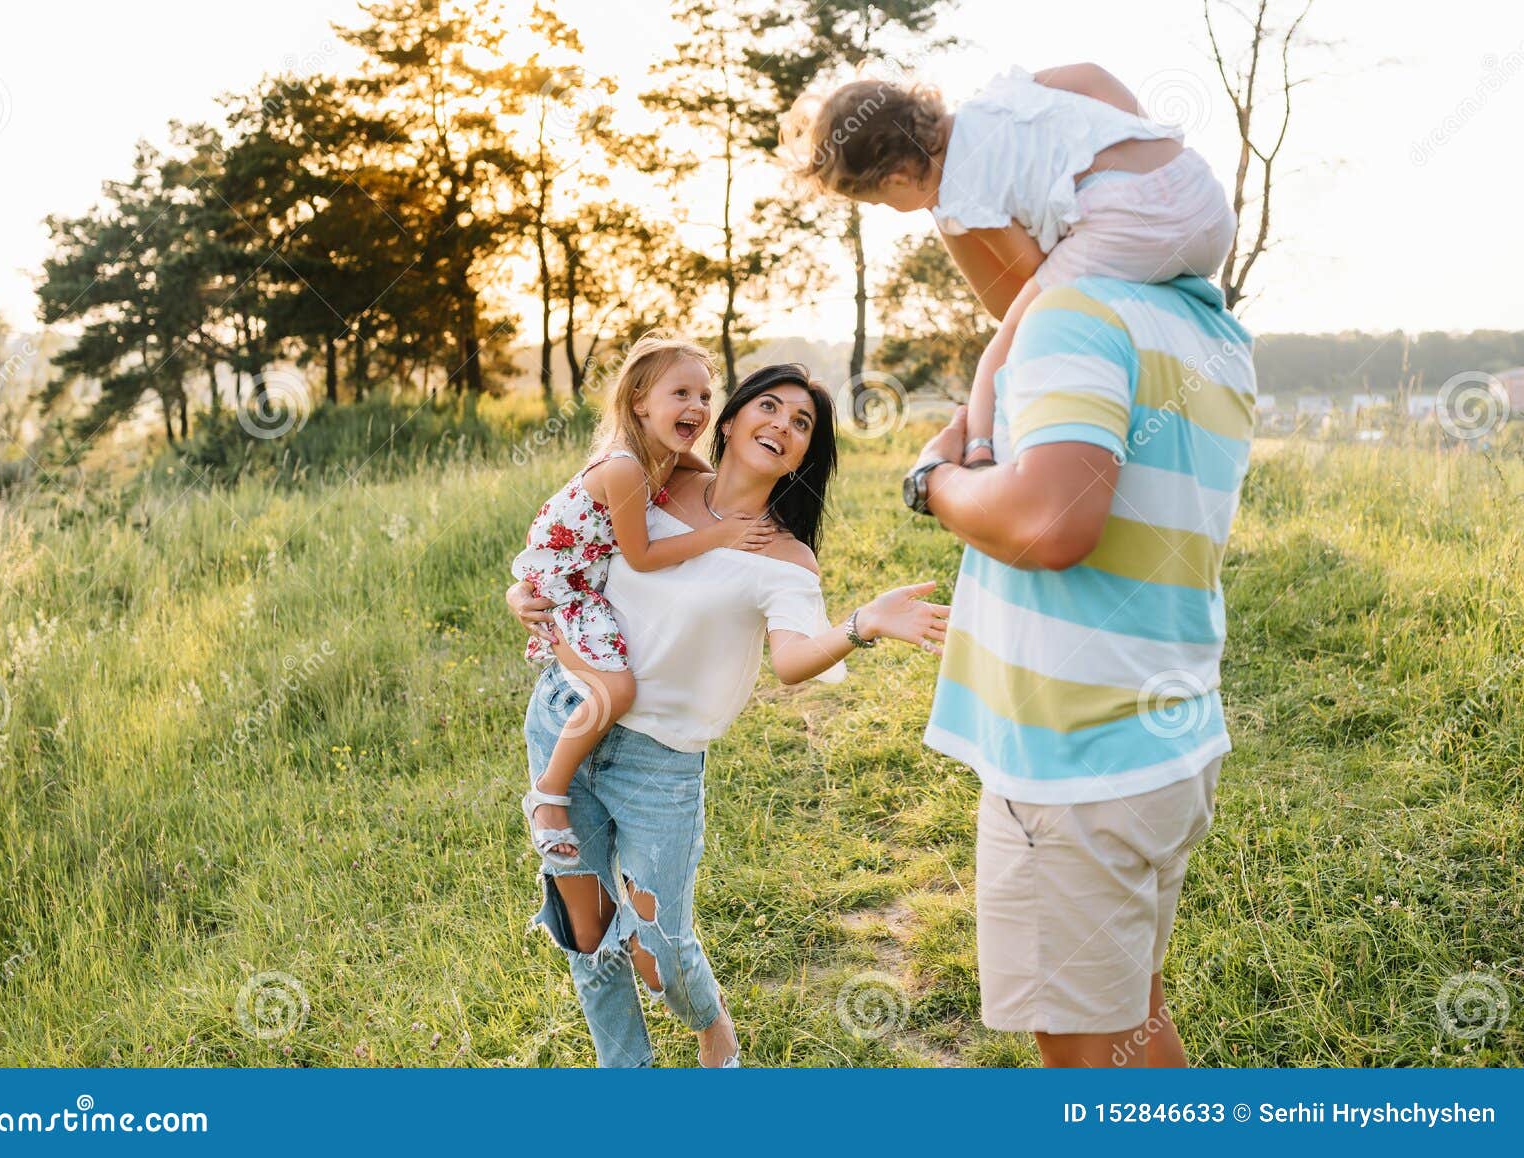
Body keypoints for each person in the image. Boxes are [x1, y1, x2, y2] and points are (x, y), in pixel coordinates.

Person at [506, 364, 951, 1067]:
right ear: (733, 419)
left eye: (801, 423)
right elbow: (574, 547)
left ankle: (712, 1023)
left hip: (662, 762)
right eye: (768, 407)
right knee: (587, 935)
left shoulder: (785, 558)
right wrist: (523, 596)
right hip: (567, 717)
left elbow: (794, 660)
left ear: (807, 454)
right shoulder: (655, 480)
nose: (781, 425)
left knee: (659, 954)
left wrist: (863, 623)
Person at [898, 269, 1256, 1067]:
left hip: (1074, 768)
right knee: (1134, 1024)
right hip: (1165, 748)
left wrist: (934, 481)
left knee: (1089, 1066)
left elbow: (1049, 524)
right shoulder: (1212, 332)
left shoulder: (1078, 313)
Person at [782, 63, 1236, 467]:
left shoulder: (962, 195)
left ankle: (979, 449)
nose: (889, 208)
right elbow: (1090, 76)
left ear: (898, 179)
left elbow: (1027, 272)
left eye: (882, 201)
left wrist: (941, 214)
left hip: (1137, 224)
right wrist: (1130, 134)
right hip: (1198, 189)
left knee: (1011, 336)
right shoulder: (1000, 96)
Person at [510, 335, 772, 867]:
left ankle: (557, 786)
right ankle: (548, 794)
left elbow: (716, 482)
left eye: (704, 396)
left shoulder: (668, 457)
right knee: (617, 688)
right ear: (639, 402)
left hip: (583, 578)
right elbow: (644, 555)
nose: (696, 406)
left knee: (615, 684)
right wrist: (720, 537)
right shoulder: (627, 467)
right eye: (681, 393)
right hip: (567, 584)